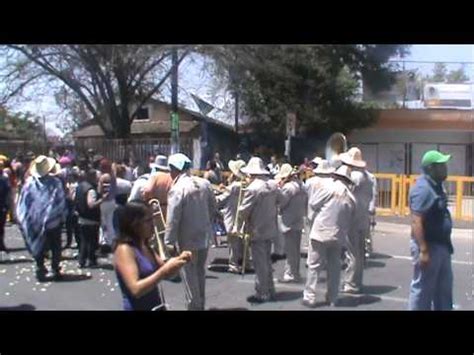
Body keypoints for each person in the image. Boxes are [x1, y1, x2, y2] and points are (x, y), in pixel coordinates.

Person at [114, 201, 191, 311]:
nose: (153, 224)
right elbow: (135, 289)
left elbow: (169, 275)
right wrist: (164, 270)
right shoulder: (125, 249)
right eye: (148, 221)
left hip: (156, 306)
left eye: (153, 219)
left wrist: (179, 261)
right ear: (135, 224)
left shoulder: (145, 245)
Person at [164, 153, 217, 310]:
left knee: (189, 275)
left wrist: (168, 242)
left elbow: (172, 219)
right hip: (204, 235)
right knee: (200, 272)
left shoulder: (177, 189)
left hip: (187, 239)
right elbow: (213, 207)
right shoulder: (204, 183)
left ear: (175, 169)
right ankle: (200, 304)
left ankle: (194, 306)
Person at [302, 163, 355, 308]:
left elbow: (313, 203)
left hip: (320, 231)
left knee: (314, 266)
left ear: (336, 176)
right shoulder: (351, 198)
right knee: (334, 267)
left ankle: (310, 296)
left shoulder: (329, 188)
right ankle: (332, 297)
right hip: (338, 235)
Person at [408, 150, 454, 311]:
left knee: (443, 290)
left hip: (441, 246)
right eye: (442, 165)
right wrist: (423, 250)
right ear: (431, 168)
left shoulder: (436, 186)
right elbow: (416, 220)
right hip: (429, 246)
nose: (446, 168)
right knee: (422, 291)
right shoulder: (423, 189)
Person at [16, 156, 66, 281]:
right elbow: (61, 201)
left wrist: (24, 217)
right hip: (53, 221)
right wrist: (62, 216)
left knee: (40, 243)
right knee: (55, 245)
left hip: (34, 220)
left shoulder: (29, 184)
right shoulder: (55, 182)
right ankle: (55, 268)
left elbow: (23, 203)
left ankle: (40, 266)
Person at [239, 157, 279, 303]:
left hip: (257, 229)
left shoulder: (253, 188)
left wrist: (239, 225)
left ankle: (263, 291)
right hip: (270, 227)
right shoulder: (273, 185)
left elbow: (244, 211)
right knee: (267, 261)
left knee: (260, 262)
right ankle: (270, 288)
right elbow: (280, 200)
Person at [339, 147, 375, 294]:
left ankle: (350, 283)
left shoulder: (354, 176)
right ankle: (356, 281)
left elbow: (343, 192)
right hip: (363, 217)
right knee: (359, 252)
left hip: (352, 218)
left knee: (352, 253)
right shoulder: (367, 176)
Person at [275, 164, 307, 283]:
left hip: (288, 221)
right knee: (295, 250)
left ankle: (290, 274)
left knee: (290, 250)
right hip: (298, 219)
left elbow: (281, 202)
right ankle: (295, 272)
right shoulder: (302, 186)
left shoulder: (288, 188)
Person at [215, 159, 248, 273]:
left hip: (232, 216)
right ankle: (244, 262)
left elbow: (221, 199)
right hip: (243, 216)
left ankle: (234, 264)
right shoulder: (246, 184)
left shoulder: (234, 186)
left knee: (233, 242)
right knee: (242, 241)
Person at [75, 169, 105, 268]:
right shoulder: (91, 190)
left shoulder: (80, 186)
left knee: (84, 240)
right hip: (91, 218)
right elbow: (91, 204)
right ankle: (91, 260)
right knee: (92, 240)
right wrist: (102, 200)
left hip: (82, 217)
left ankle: (81, 260)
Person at [98, 159, 117, 251]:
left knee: (103, 222)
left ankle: (103, 241)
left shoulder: (104, 177)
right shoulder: (113, 176)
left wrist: (100, 195)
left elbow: (104, 190)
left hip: (105, 202)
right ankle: (111, 240)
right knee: (110, 222)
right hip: (112, 201)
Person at [0, 159, 11, 254]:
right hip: (3, 205)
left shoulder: (4, 177)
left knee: (1, 226)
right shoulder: (4, 177)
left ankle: (1, 243)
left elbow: (8, 192)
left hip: (2, 204)